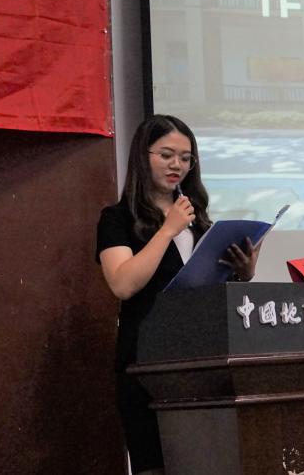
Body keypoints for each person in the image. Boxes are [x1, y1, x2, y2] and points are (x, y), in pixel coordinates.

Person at [96, 114, 258, 474]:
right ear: (143, 155)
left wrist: (242, 273)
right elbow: (123, 284)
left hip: (201, 361)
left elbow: (206, 291)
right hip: (147, 362)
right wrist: (167, 230)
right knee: (154, 464)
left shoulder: (198, 220)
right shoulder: (117, 218)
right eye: (166, 155)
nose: (177, 166)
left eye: (186, 158)